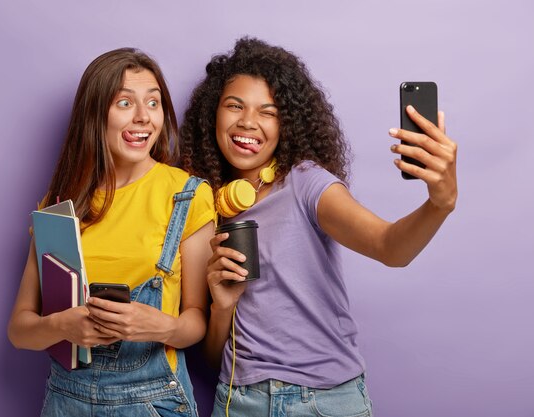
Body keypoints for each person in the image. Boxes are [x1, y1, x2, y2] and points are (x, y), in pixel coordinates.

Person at [179, 37, 457, 417]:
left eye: (268, 111)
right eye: (234, 106)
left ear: (287, 124)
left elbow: (390, 247)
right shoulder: (204, 206)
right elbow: (211, 360)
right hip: (240, 400)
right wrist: (223, 307)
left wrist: (439, 204)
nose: (248, 122)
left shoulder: (306, 183)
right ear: (213, 114)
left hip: (324, 402)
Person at [7, 48, 215, 417]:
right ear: (95, 114)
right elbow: (20, 330)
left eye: (153, 102)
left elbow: (196, 321)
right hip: (65, 401)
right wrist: (62, 326)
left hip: (153, 401)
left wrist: (163, 327)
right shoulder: (58, 205)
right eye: (124, 102)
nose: (143, 117)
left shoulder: (187, 195)